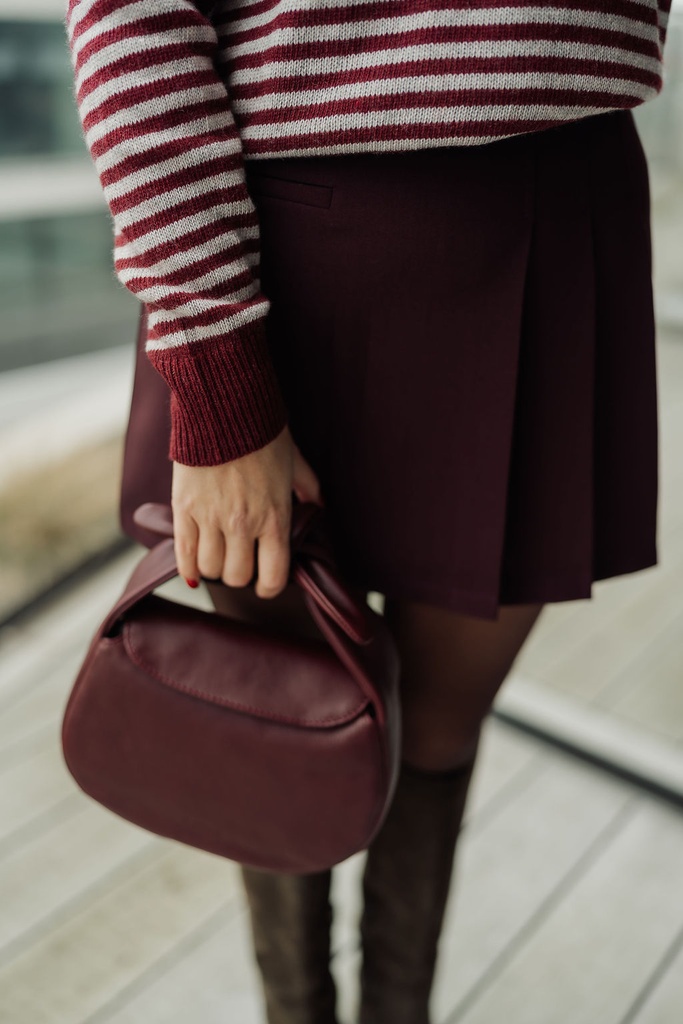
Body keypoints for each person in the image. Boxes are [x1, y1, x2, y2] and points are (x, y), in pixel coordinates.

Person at [65, 2, 669, 1021]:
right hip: (284, 252)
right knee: (273, 713)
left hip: (560, 219)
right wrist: (220, 378)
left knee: (438, 729)